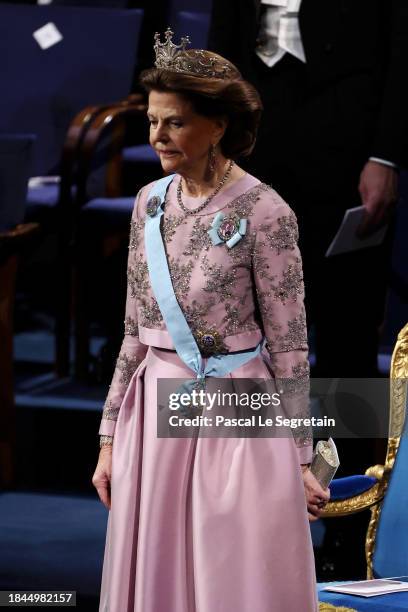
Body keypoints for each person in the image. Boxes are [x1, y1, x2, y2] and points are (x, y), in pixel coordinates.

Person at [92, 29, 329, 612]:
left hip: (235, 413)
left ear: (218, 125)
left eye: (174, 122)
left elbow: (292, 346)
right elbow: (132, 332)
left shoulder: (266, 211)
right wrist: (107, 439)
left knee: (231, 579)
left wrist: (302, 457)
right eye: (152, 121)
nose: (156, 136)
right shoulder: (148, 202)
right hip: (153, 412)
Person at [208, 0, 408, 379]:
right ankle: (254, 439)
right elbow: (222, 47)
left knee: (348, 323)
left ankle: (347, 437)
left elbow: (401, 53)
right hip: (256, 142)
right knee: (246, 325)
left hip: (348, 144)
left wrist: (385, 156)